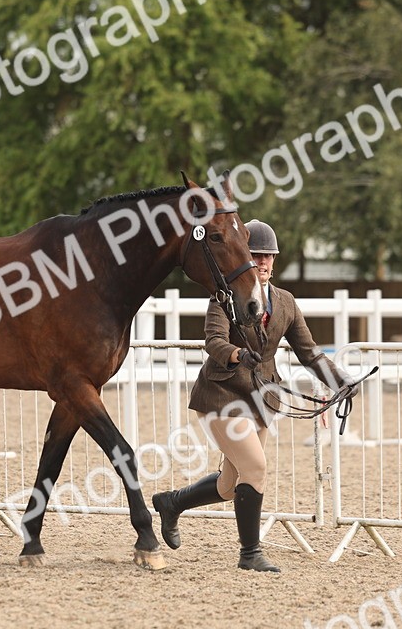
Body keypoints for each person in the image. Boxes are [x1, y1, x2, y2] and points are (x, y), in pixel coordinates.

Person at [152, 220, 356, 572]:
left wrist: (341, 381)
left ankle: (172, 503)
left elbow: (309, 353)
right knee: (256, 467)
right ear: (245, 256)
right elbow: (213, 341)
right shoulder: (225, 294)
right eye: (256, 255)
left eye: (268, 256)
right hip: (221, 396)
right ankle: (250, 554)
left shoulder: (286, 303)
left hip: (261, 401)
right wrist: (237, 355)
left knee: (231, 485)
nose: (262, 262)